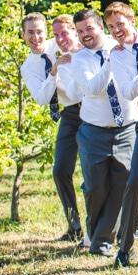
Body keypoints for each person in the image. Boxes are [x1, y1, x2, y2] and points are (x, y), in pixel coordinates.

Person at [70, 8, 138, 258]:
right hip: (94, 132)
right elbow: (93, 87)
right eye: (79, 31)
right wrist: (111, 60)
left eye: (89, 28)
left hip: (126, 129)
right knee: (95, 188)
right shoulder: (80, 59)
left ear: (101, 26)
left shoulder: (123, 45)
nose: (84, 35)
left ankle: (102, 242)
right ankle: (96, 233)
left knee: (122, 186)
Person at [20, 12, 84, 242]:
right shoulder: (28, 67)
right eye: (30, 32)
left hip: (89, 109)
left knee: (92, 171)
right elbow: (42, 98)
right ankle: (74, 225)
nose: (36, 37)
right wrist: (54, 70)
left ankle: (113, 223)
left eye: (40, 32)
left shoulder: (60, 41)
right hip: (69, 114)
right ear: (23, 35)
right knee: (60, 170)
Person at [105, 2, 138, 268]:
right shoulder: (118, 55)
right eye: (111, 27)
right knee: (134, 181)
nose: (116, 30)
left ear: (132, 20)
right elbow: (126, 91)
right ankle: (125, 247)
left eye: (119, 24)